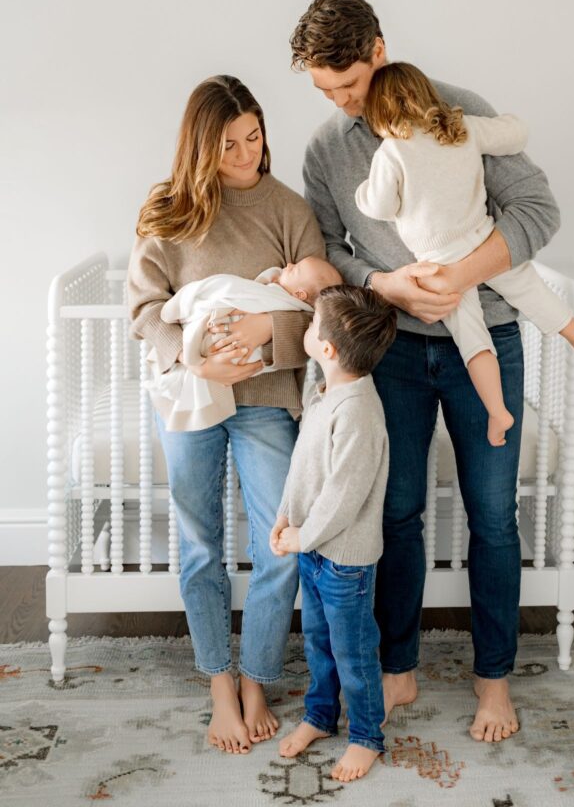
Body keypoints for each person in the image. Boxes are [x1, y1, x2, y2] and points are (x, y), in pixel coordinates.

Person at [290, 0, 561, 743]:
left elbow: (537, 213)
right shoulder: (329, 147)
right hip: (394, 350)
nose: (344, 103)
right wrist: (387, 286)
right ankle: (398, 663)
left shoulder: (456, 112)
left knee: (493, 517)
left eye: (349, 83)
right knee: (396, 511)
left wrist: (459, 277)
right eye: (327, 91)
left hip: (488, 339)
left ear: (378, 49)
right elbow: (329, 250)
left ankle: (492, 679)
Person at [127, 75, 325, 754]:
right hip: (189, 398)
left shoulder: (288, 209)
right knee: (201, 544)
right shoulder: (168, 209)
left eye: (254, 139)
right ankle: (218, 680)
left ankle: (257, 677)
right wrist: (194, 362)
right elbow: (145, 310)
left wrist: (267, 334)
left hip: (266, 401)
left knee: (280, 544)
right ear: (199, 146)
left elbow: (320, 312)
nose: (244, 155)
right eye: (228, 145)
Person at [356, 61, 574, 446]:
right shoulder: (460, 128)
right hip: (482, 239)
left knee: (472, 338)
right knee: (532, 291)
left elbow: (381, 206)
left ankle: (497, 410)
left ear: (379, 111)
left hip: (439, 264)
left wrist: (362, 191)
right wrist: (510, 119)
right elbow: (515, 135)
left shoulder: (391, 152)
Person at [271, 285, 397, 783]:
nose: (305, 329)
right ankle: (320, 716)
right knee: (319, 642)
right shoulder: (324, 394)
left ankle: (367, 735)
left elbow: (344, 495)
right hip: (312, 550)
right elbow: (302, 468)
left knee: (354, 650)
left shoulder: (359, 412)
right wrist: (285, 517)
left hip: (343, 559)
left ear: (326, 349)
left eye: (311, 325)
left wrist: (302, 537)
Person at [146, 256, 342, 432]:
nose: (289, 264)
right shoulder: (270, 288)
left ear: (299, 295)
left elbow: (320, 322)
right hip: (186, 358)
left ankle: (197, 342)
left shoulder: (284, 298)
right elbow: (144, 305)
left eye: (295, 269)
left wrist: (269, 325)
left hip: (267, 395)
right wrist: (189, 359)